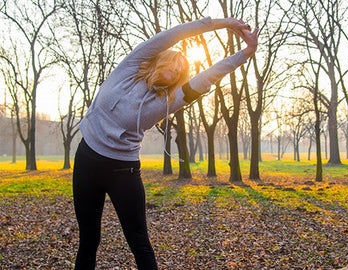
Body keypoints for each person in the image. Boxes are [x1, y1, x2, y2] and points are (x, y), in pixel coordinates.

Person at [72, 17, 258, 269]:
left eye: (180, 72)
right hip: (87, 160)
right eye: (172, 63)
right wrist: (224, 23)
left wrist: (246, 52)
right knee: (89, 239)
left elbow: (209, 76)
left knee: (139, 242)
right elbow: (175, 34)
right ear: (159, 59)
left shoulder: (169, 100)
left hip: (122, 171)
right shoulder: (129, 67)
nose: (174, 71)